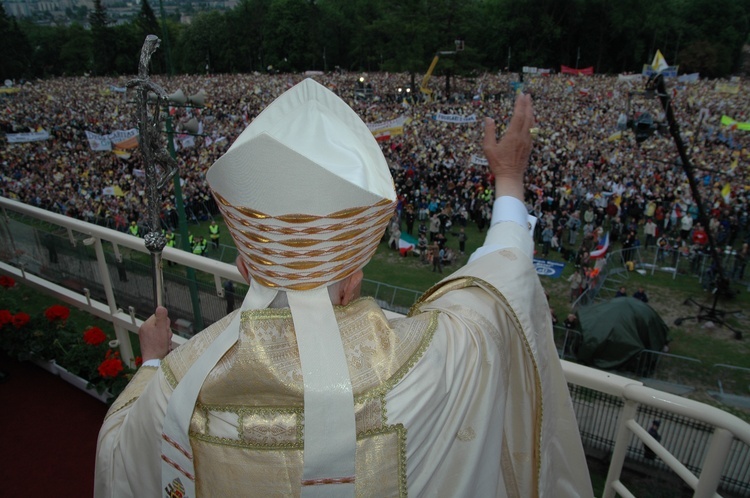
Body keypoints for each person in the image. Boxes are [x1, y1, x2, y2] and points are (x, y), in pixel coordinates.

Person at [95, 81, 592, 497]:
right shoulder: (432, 363)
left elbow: (120, 459)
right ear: (353, 280)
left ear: (245, 267)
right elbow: (496, 289)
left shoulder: (178, 389)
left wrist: (155, 363)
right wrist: (509, 178)